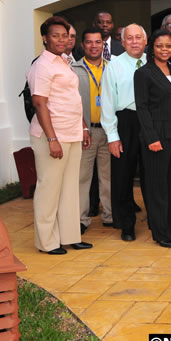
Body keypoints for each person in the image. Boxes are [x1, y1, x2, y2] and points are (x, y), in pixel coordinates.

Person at [27, 16, 92, 254]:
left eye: (65, 36)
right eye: (55, 35)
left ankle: (69, 236)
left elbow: (71, 99)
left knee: (69, 188)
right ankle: (47, 242)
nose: (61, 40)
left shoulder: (63, 61)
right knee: (49, 188)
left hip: (72, 132)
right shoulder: (42, 65)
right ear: (45, 38)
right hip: (51, 136)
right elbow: (39, 103)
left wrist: (83, 126)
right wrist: (52, 139)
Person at [134, 29, 171, 248]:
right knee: (158, 187)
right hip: (157, 137)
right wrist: (151, 137)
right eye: (159, 46)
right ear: (151, 48)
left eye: (168, 46)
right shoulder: (144, 73)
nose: (164, 49)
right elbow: (142, 107)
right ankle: (161, 232)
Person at [100, 23, 148, 242]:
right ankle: (126, 225)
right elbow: (108, 103)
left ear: (145, 41)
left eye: (138, 37)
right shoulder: (114, 66)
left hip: (151, 123)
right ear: (123, 41)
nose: (135, 41)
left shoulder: (154, 63)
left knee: (152, 175)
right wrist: (112, 136)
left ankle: (156, 220)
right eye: (130, 38)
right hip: (125, 122)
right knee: (122, 176)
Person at [72, 27, 113, 233]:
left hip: (109, 130)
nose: (94, 46)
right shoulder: (74, 69)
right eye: (89, 42)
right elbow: (71, 103)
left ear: (103, 45)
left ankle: (109, 214)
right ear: (83, 45)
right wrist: (82, 127)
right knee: (83, 176)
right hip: (86, 131)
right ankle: (81, 218)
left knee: (108, 176)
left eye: (98, 42)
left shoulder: (112, 67)